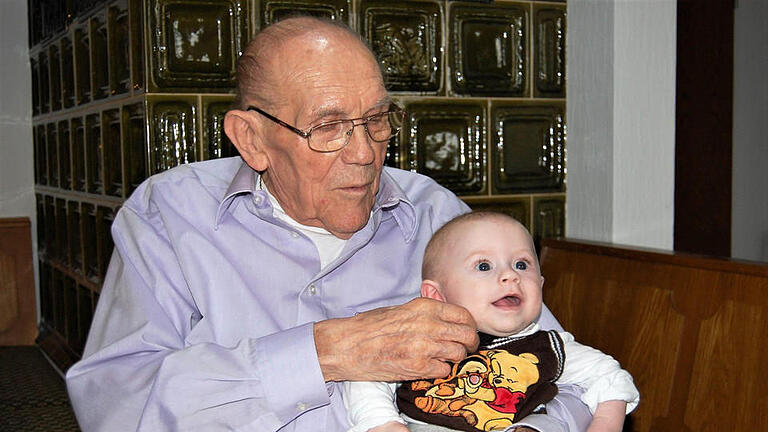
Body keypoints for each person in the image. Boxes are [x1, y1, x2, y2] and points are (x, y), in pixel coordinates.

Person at [65, 17, 592, 431]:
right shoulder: (170, 215)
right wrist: (327, 352)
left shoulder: (437, 217)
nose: (364, 153)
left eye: (377, 120)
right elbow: (116, 404)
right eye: (329, 127)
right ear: (251, 139)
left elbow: (562, 369)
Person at [344, 212, 639, 432]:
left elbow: (611, 379)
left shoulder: (550, 347)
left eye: (522, 265)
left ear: (540, 283)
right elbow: (367, 375)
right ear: (436, 295)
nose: (510, 275)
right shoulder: (421, 339)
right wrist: (383, 424)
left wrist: (604, 424)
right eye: (484, 266)